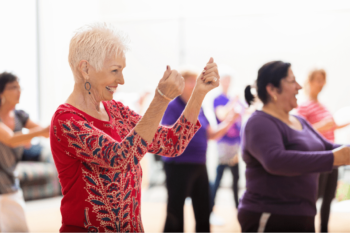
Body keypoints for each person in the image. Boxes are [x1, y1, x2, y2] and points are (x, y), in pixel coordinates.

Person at [49, 23, 220, 232]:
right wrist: (161, 98)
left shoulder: (116, 110)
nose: (121, 80)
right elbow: (120, 158)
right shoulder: (66, 120)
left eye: (122, 71)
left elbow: (172, 143)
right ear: (85, 69)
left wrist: (199, 94)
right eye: (115, 71)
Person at [239, 61, 350, 232]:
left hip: (303, 215)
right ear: (272, 89)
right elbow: (275, 160)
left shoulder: (300, 121)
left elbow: (327, 147)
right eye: (292, 81)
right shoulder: (259, 122)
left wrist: (342, 153)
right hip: (270, 215)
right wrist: (335, 157)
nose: (299, 87)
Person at [161, 69, 238, 232]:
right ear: (181, 84)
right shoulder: (172, 106)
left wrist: (230, 120)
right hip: (178, 165)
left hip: (199, 164)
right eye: (191, 81)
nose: (195, 85)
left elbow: (211, 134)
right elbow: (166, 135)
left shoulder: (199, 107)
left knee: (204, 209)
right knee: (175, 210)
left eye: (197, 82)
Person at [297, 69, 349, 233]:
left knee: (328, 198)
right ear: (310, 82)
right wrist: (322, 126)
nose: (321, 84)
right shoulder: (303, 107)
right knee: (314, 197)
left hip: (333, 156)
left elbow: (332, 125)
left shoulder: (322, 106)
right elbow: (299, 132)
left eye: (323, 80)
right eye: (318, 80)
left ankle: (324, 229)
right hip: (319, 158)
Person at [0, 72, 50, 232]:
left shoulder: (20, 116)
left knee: (19, 229)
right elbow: (10, 138)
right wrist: (29, 135)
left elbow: (46, 132)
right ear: (1, 92)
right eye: (13, 87)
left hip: (10, 185)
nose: (18, 91)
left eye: (19, 87)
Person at [211, 74, 244, 213]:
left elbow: (244, 113)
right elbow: (221, 115)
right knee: (219, 175)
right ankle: (210, 206)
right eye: (224, 80)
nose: (227, 82)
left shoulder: (234, 100)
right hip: (223, 144)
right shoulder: (218, 99)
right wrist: (233, 102)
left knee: (236, 177)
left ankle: (238, 208)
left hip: (235, 144)